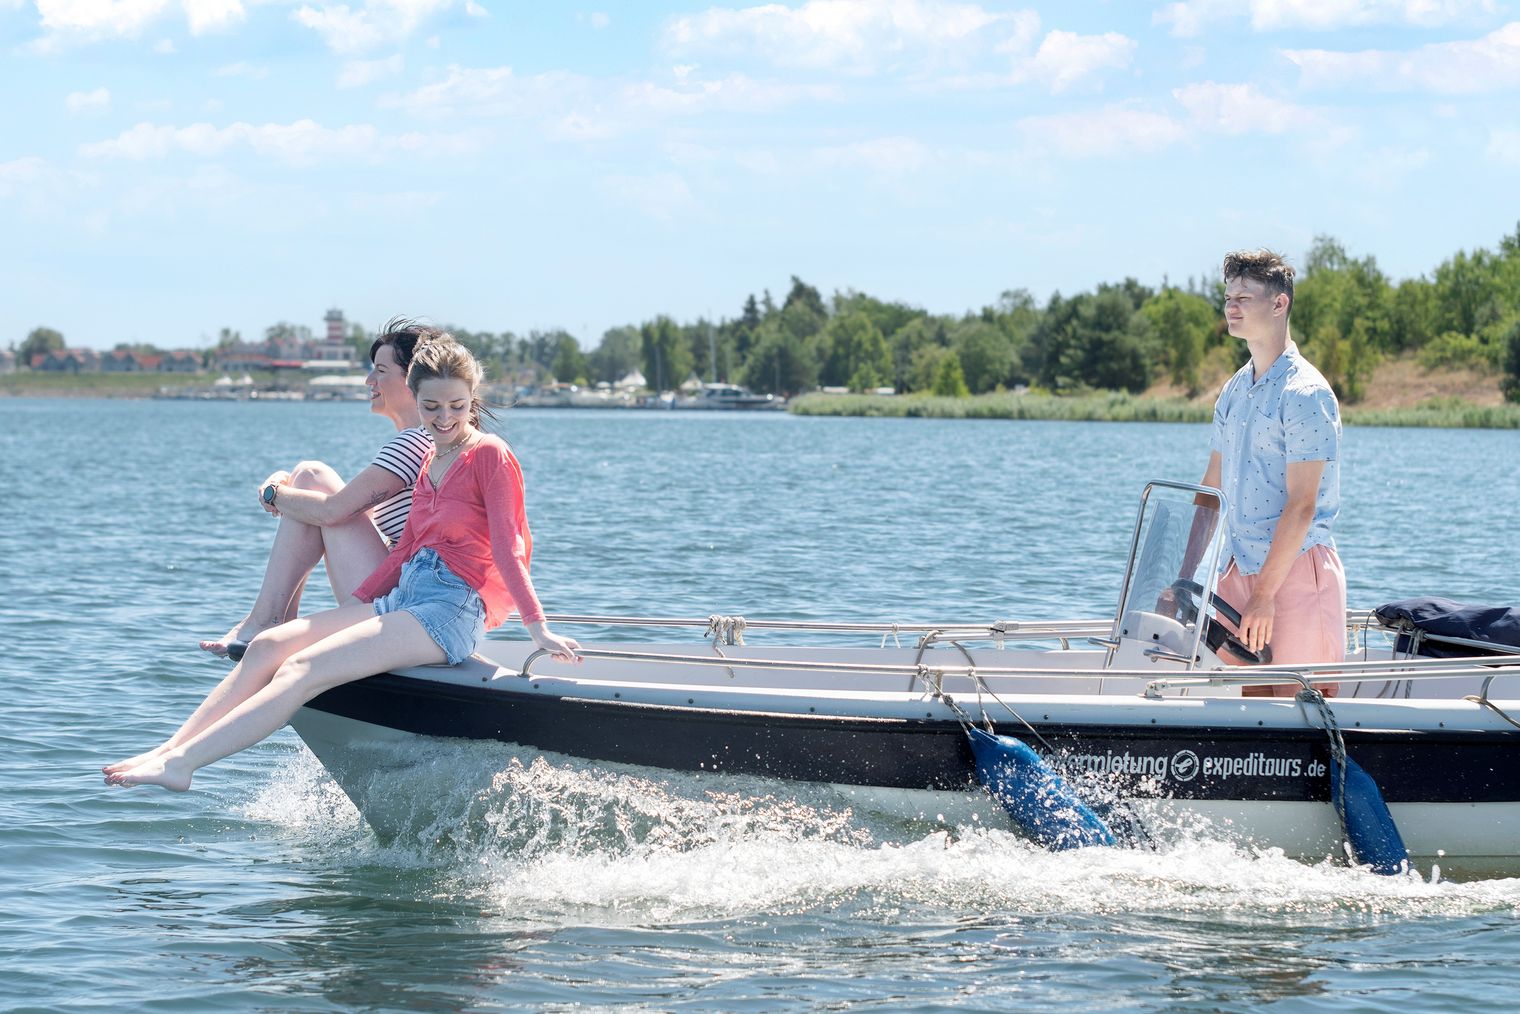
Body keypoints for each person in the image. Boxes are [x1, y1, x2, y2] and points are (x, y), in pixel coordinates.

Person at [105, 338, 580, 791]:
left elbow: (508, 548)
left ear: (471, 398)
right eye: (432, 407)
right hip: (405, 597)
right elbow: (404, 550)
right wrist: (349, 610)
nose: (444, 418)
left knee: (305, 667)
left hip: (448, 611)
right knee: (270, 645)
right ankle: (167, 749)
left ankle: (182, 766)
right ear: (416, 399)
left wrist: (537, 628)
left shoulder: (490, 455)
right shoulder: (429, 460)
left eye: (456, 405)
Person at [198, 319, 439, 659]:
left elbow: (333, 511)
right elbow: (342, 512)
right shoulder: (428, 441)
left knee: (311, 476)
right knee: (306, 481)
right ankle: (273, 621)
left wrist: (272, 493)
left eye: (381, 371)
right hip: (407, 593)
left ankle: (267, 620)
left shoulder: (414, 443)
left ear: (414, 379)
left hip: (402, 603)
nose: (369, 381)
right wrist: (291, 489)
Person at [1200, 249, 1345, 696]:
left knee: (1305, 712)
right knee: (1251, 715)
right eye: (1228, 297)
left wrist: (1265, 595)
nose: (1231, 306)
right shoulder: (1234, 389)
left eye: (1244, 296)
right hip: (1239, 568)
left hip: (1296, 571)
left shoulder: (1306, 393)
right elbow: (1210, 491)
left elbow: (1302, 506)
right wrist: (1180, 575)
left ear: (1279, 304)